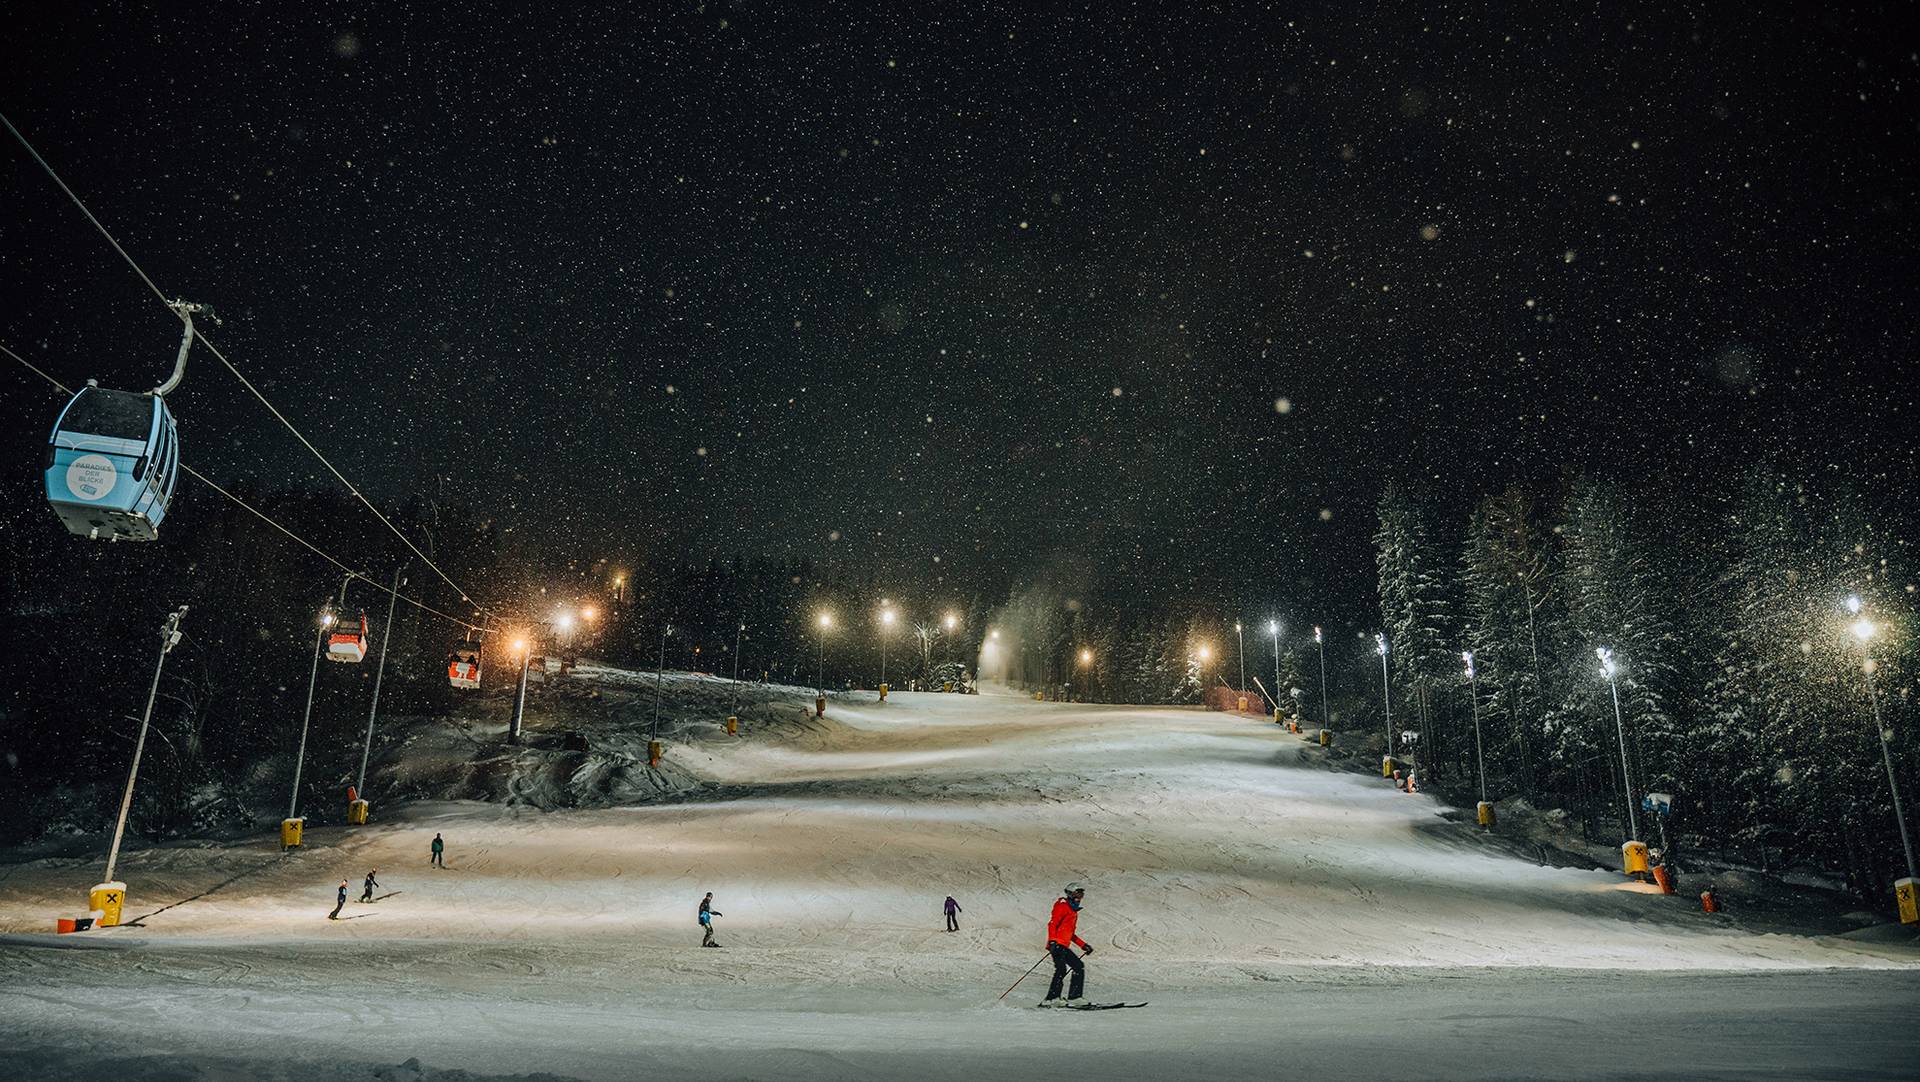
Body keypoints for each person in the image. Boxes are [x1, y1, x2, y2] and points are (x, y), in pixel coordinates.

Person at [1040, 882, 1093, 1007]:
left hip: (1061, 944)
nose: (1079, 897)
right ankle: (1066, 998)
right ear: (1070, 894)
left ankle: (1055, 998)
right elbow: (1052, 924)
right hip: (1057, 945)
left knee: (1068, 968)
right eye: (1077, 894)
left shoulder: (1072, 911)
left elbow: (1070, 934)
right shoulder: (1062, 906)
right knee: (1073, 967)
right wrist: (1052, 941)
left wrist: (1083, 945)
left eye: (1081, 895)